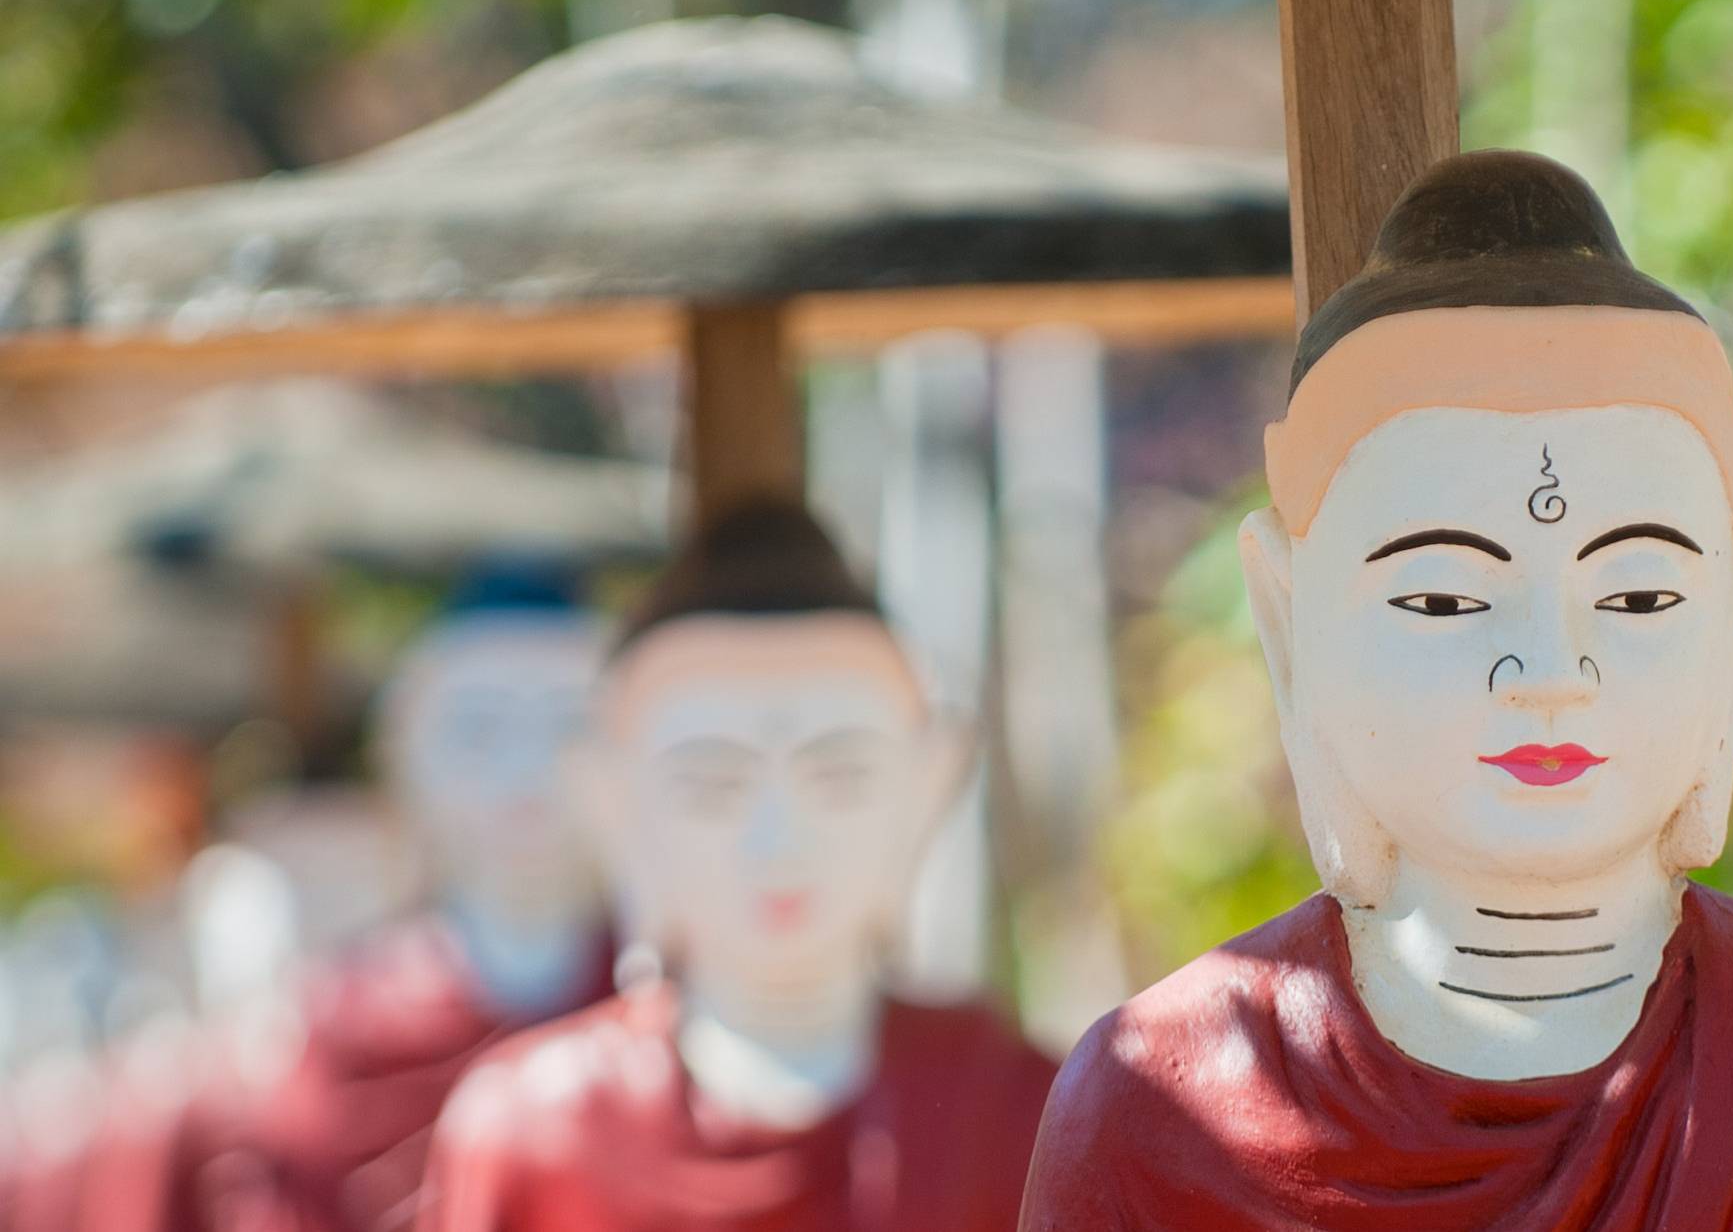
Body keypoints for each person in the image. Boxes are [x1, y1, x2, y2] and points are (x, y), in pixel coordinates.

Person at [1021, 150, 1733, 1231]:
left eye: (1639, 597)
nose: (1550, 674)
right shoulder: (1162, 1104)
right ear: (1287, 618)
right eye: (1443, 602)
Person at [414, 500, 1054, 1232]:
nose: (778, 843)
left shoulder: (1014, 1108)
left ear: (929, 784)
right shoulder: (532, 1124)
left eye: (840, 780)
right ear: (616, 800)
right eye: (713, 787)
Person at [119, 562, 616, 1232]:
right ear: (408, 756)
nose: (525, 773)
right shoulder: (339, 1020)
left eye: (566, 726)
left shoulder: (661, 1007)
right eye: (479, 731)